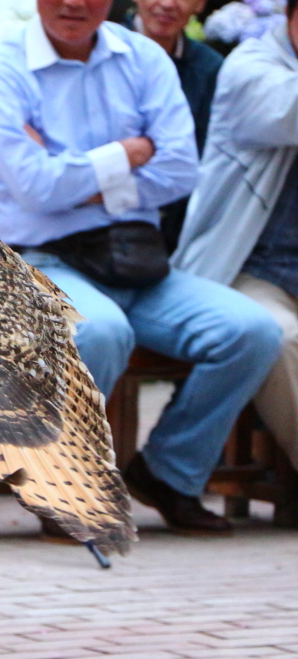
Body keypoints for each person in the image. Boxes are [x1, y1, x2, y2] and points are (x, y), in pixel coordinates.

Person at [0, 0, 281, 535]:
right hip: (42, 259)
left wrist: (75, 173)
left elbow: (181, 170)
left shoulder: (143, 59)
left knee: (251, 330)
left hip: (137, 258)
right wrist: (130, 152)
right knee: (99, 329)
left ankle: (169, 473)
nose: (74, 4)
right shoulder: (3, 68)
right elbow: (32, 188)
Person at [173, 0, 298, 475]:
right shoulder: (251, 67)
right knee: (279, 336)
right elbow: (288, 111)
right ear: (289, 17)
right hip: (250, 268)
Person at [130, 0, 223, 252]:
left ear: (200, 4)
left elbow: (204, 156)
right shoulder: (94, 47)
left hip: (172, 230)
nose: (168, 4)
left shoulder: (210, 68)